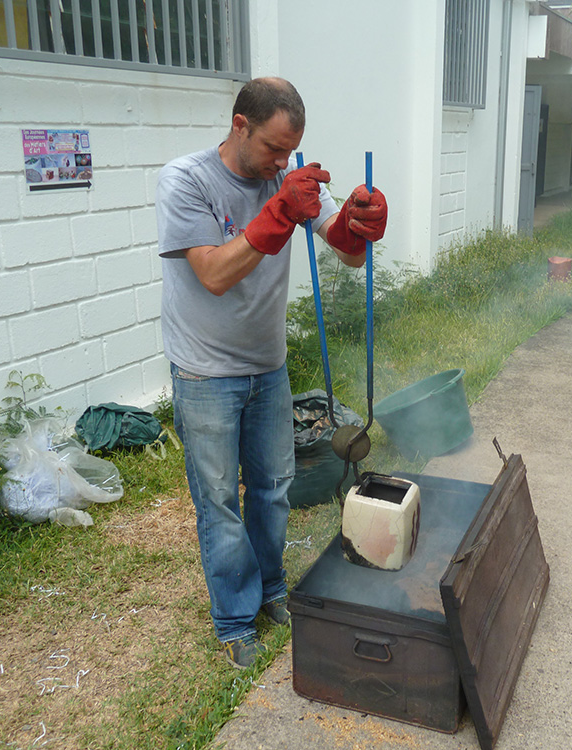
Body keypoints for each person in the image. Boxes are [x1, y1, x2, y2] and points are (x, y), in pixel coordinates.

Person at [155, 77, 388, 668]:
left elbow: (341, 247)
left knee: (272, 490)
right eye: (273, 150)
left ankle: (271, 591)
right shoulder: (186, 180)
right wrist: (279, 211)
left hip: (268, 366)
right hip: (206, 372)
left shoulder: (282, 178)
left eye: (291, 153)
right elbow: (212, 272)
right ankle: (235, 620)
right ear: (240, 126)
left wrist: (360, 226)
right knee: (219, 501)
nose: (283, 163)